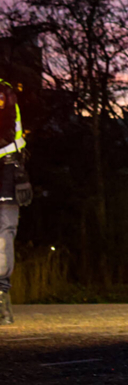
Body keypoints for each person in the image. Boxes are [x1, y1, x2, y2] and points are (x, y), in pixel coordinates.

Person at [0, 78, 29, 326]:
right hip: (9, 170)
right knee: (5, 233)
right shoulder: (7, 91)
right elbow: (16, 136)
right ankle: (2, 300)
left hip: (8, 171)